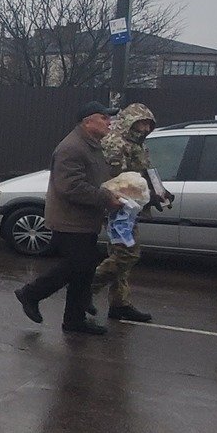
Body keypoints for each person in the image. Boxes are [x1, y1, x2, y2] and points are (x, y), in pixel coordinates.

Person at [15, 103, 116, 337]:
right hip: (69, 219)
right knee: (77, 265)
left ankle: (74, 320)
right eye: (103, 118)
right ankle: (31, 293)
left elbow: (97, 179)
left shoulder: (91, 145)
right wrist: (106, 198)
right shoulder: (72, 148)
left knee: (85, 269)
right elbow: (70, 187)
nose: (109, 122)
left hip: (85, 219)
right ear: (87, 122)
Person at [91, 103, 165, 324]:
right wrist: (144, 195)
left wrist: (158, 192)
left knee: (121, 256)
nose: (145, 129)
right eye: (141, 124)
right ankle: (86, 288)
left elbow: (145, 172)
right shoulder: (115, 144)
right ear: (129, 123)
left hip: (129, 208)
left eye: (148, 124)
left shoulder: (137, 144)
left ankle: (119, 303)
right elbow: (116, 181)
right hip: (117, 208)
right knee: (127, 254)